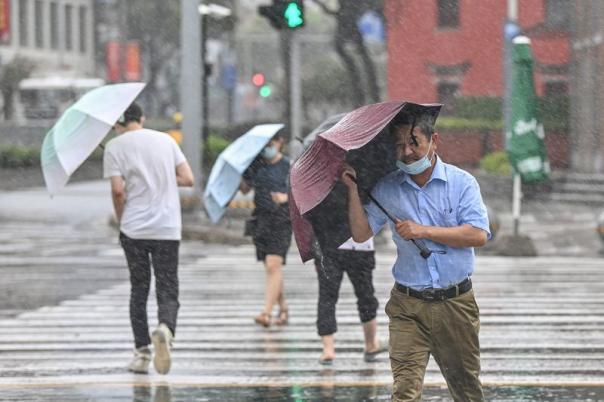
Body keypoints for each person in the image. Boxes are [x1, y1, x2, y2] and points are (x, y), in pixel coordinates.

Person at [341, 111, 490, 401]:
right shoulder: (387, 188)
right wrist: (352, 191)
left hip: (455, 305)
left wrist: (424, 231)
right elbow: (360, 235)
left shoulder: (462, 184)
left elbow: (478, 235)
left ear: (434, 141)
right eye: (399, 146)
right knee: (405, 391)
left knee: (467, 390)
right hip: (407, 306)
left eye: (414, 142)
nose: (407, 152)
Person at [103, 102, 194, 375]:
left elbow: (118, 192)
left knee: (139, 289)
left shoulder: (114, 147)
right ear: (141, 118)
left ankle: (142, 353)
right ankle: (166, 327)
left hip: (134, 229)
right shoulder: (165, 140)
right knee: (167, 286)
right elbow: (187, 178)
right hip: (167, 227)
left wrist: (122, 219)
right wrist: (162, 178)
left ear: (118, 124)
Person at [306, 183, 387, 365]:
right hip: (359, 245)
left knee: (327, 296)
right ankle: (370, 343)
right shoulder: (365, 175)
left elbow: (311, 214)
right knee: (365, 294)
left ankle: (328, 349)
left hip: (329, 246)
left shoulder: (320, 180)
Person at [240, 132, 292, 327]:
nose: (268, 147)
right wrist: (242, 170)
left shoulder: (289, 166)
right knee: (271, 269)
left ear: (280, 142)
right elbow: (245, 189)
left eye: (271, 143)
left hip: (282, 220)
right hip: (260, 220)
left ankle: (266, 313)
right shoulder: (256, 164)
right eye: (265, 144)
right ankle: (283, 307)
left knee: (273, 265)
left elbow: (299, 192)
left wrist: (286, 198)